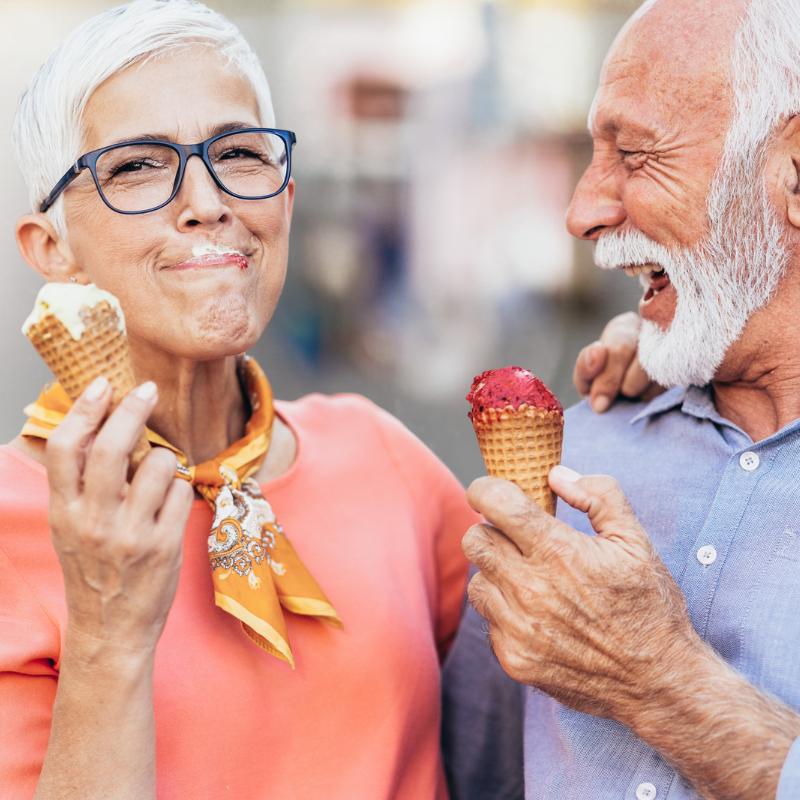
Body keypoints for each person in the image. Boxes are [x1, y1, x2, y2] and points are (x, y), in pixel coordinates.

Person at [0, 3, 480, 798]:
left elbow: (549, 714)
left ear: (284, 201)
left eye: (241, 154)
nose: (207, 200)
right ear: (53, 250)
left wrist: (654, 367)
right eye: (136, 166)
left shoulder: (385, 460)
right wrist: (108, 636)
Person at [442, 0, 800, 798]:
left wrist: (660, 680)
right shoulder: (578, 449)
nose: (581, 213)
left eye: (634, 154)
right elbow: (477, 776)